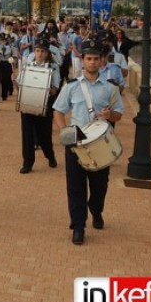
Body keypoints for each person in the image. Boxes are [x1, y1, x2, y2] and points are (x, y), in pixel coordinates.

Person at [53, 39, 124, 245]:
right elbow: (58, 111)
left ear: (102, 61)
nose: (92, 62)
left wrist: (111, 114)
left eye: (95, 59)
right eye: (88, 58)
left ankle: (96, 209)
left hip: (100, 144)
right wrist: (65, 131)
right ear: (82, 61)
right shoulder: (72, 86)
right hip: (76, 143)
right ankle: (78, 226)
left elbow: (119, 115)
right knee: (75, 187)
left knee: (99, 186)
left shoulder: (111, 89)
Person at [17, 39, 59, 173]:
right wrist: (14, 80)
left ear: (47, 53)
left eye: (43, 51)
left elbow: (55, 90)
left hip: (44, 105)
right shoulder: (27, 65)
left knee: (44, 136)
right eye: (37, 51)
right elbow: (19, 86)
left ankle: (50, 156)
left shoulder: (53, 67)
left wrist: (48, 87)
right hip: (28, 103)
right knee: (27, 135)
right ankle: (27, 163)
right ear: (34, 52)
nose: (40, 54)